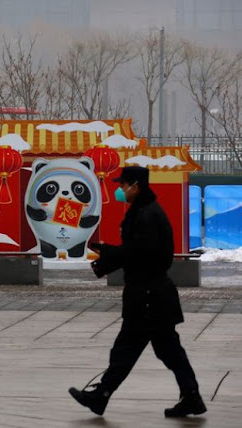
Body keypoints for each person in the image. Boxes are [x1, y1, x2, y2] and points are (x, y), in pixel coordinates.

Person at [68, 166, 206, 418]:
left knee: (129, 349)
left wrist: (109, 254)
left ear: (136, 186)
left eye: (123, 186)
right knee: (165, 350)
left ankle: (101, 396)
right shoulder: (144, 211)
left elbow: (141, 253)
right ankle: (191, 397)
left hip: (148, 297)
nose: (120, 190)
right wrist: (110, 256)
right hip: (151, 294)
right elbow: (138, 251)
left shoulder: (146, 215)